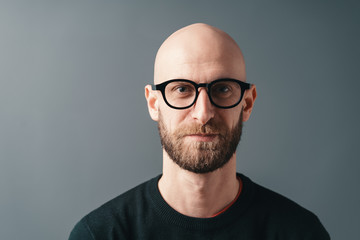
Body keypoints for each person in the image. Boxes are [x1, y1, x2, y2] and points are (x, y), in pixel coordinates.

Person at [69, 23, 330, 239]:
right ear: (154, 104)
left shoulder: (300, 232)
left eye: (222, 89)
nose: (203, 113)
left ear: (247, 103)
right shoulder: (100, 234)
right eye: (181, 89)